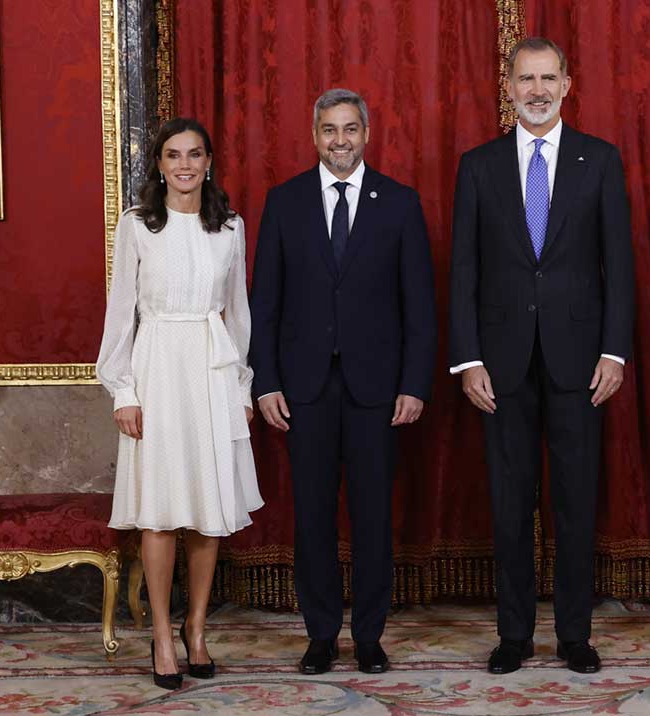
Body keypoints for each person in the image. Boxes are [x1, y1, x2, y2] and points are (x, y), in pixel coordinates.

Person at [448, 37, 635, 675]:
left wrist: (615, 349)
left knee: (576, 503)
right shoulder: (477, 165)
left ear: (567, 83)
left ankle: (575, 636)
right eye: (525, 79)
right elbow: (463, 271)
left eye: (547, 78)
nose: (536, 90)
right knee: (508, 504)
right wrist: (466, 358)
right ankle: (514, 636)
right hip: (498, 366)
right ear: (508, 86)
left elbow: (619, 267)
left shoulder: (601, 161)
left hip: (582, 363)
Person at [249, 88, 437, 675]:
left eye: (350, 129)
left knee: (373, 515)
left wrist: (414, 383)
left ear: (367, 133)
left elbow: (420, 307)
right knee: (312, 516)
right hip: (303, 389)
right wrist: (266, 382)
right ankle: (321, 634)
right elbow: (265, 304)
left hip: (377, 390)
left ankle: (370, 635)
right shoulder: (284, 203)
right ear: (314, 135)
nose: (340, 141)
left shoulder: (400, 203)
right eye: (329, 130)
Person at [96, 118, 263, 690]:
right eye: (173, 155)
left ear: (209, 161)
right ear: (160, 165)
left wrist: (242, 388)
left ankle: (196, 630)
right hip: (158, 370)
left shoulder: (231, 227)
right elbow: (121, 313)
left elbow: (238, 314)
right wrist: (124, 390)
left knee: (208, 512)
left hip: (212, 372)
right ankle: (162, 634)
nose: (185, 164)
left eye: (194, 154)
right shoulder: (138, 225)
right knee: (162, 509)